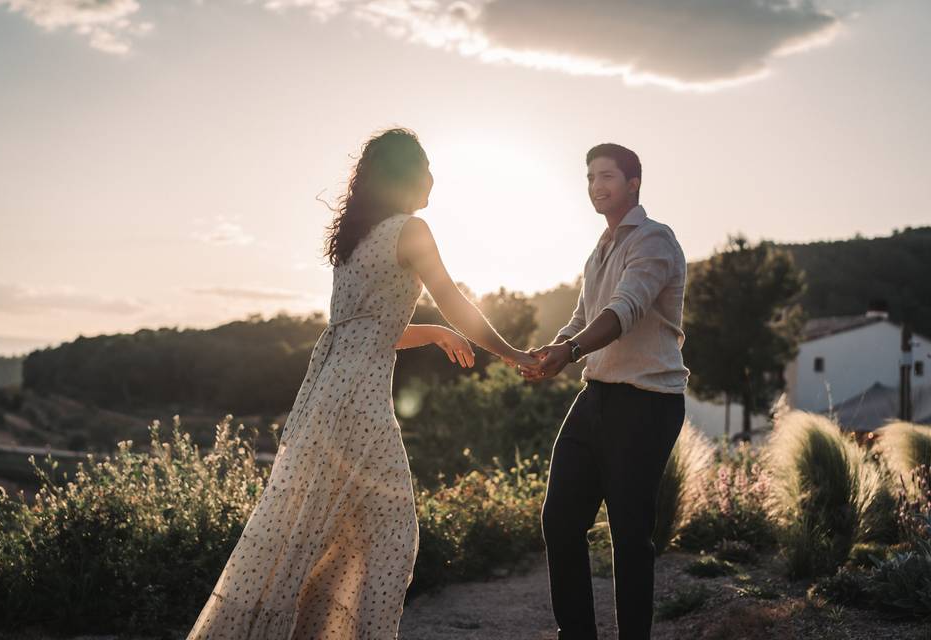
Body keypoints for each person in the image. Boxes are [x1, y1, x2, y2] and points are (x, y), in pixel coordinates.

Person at [185, 127, 536, 640]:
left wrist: (436, 332)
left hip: (325, 392)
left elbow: (369, 328)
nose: (434, 177)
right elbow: (453, 298)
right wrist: (511, 353)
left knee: (312, 531)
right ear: (408, 175)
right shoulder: (411, 230)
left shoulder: (357, 238)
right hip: (359, 401)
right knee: (391, 533)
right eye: (426, 166)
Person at [521, 143, 689, 640]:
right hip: (595, 396)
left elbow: (624, 310)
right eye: (590, 176)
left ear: (633, 183)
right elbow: (584, 318)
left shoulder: (655, 240)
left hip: (647, 402)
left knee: (630, 536)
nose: (597, 185)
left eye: (607, 175)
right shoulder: (599, 249)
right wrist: (549, 352)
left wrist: (568, 351)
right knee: (559, 520)